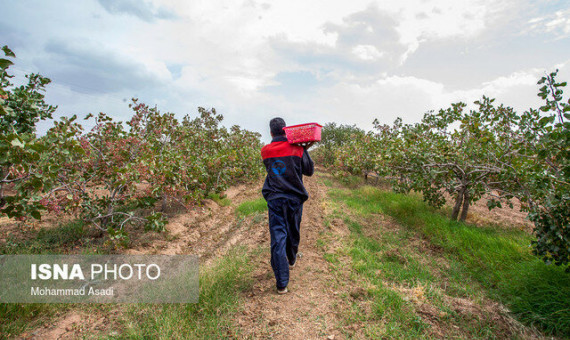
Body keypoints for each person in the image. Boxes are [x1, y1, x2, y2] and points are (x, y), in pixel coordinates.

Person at [261, 117, 314, 294]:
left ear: (271, 132)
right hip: (294, 199)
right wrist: (305, 150)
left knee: (278, 237)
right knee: (293, 231)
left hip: (275, 199)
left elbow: (274, 169)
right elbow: (309, 171)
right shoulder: (297, 149)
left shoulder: (265, 151)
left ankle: (281, 284)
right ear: (286, 130)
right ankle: (291, 259)